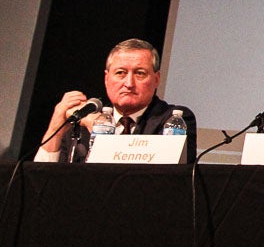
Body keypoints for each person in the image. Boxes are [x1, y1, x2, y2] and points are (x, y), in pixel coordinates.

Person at [37, 38, 198, 163]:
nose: (129, 83)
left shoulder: (174, 119)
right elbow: (41, 180)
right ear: (107, 78)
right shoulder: (83, 123)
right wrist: (56, 123)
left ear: (156, 79)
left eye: (140, 73)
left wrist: (99, 127)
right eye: (120, 73)